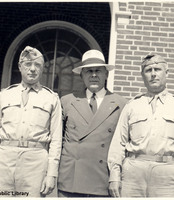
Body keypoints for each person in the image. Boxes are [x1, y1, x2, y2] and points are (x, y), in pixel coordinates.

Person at [107, 53, 174, 197]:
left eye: (157, 69)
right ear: (142, 75)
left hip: (168, 175)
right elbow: (118, 142)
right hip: (133, 174)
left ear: (166, 73)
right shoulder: (132, 105)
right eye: (148, 71)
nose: (153, 74)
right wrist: (114, 175)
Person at [57, 49, 127, 197]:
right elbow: (58, 141)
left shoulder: (121, 104)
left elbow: (123, 145)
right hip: (71, 181)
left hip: (102, 181)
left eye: (98, 71)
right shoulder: (67, 101)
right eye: (89, 71)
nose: (94, 75)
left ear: (106, 74)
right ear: (81, 75)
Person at [0, 46, 62, 197]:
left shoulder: (51, 98)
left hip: (35, 163)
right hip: (4, 160)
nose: (32, 69)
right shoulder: (4, 95)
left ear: (42, 69)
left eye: (37, 65)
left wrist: (51, 174)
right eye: (28, 64)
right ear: (20, 67)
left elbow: (56, 139)